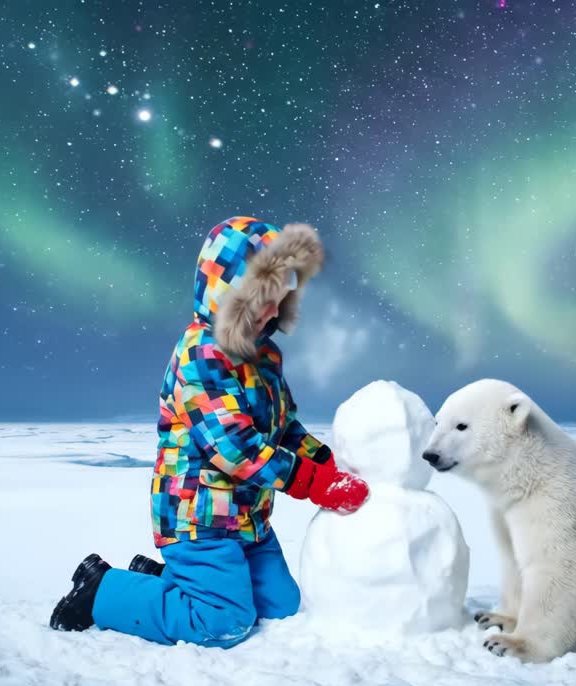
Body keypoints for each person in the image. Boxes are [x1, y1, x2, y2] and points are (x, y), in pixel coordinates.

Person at [49, 216, 369, 648]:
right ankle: (102, 589)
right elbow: (234, 447)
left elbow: (284, 427)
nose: (274, 310)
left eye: (281, 298)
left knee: (282, 609)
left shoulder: (264, 356)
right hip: (198, 517)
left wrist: (324, 461)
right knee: (223, 623)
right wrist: (312, 482)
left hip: (248, 518)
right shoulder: (201, 355)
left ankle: (172, 583)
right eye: (264, 299)